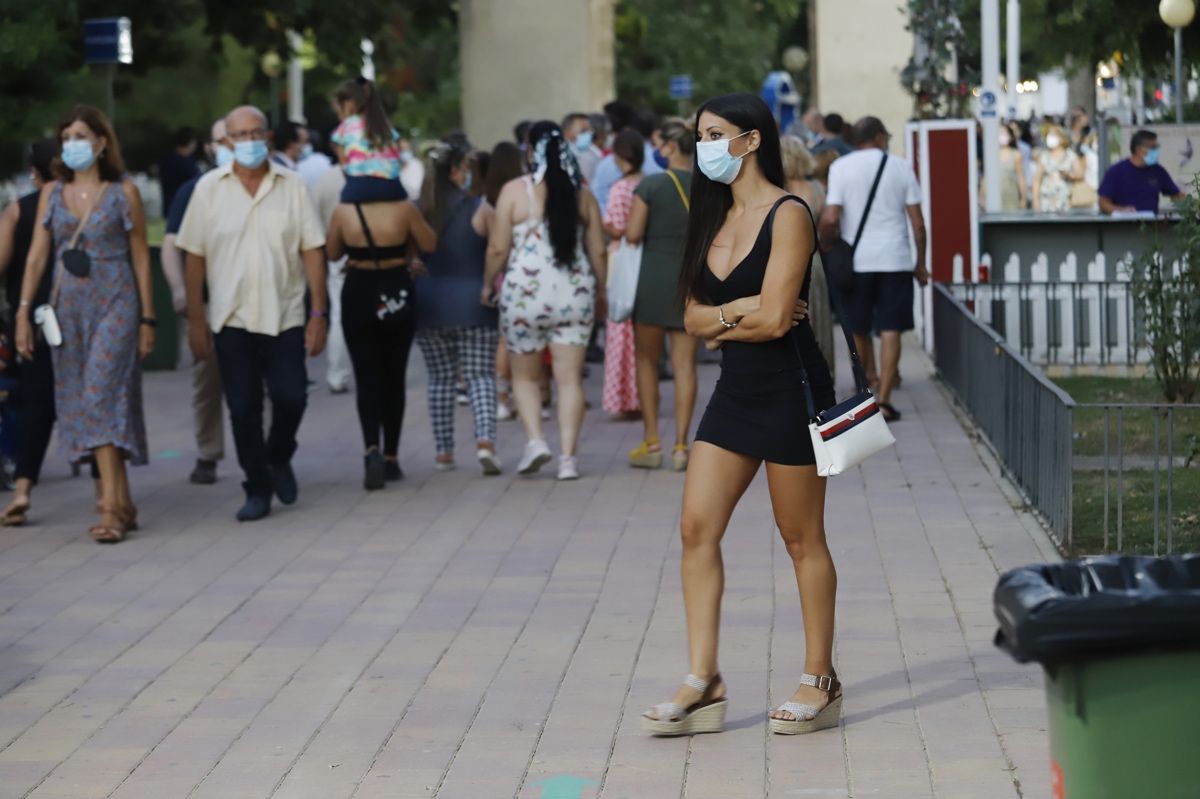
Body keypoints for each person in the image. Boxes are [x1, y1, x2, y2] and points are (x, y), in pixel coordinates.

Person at [640, 93, 837, 737]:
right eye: (700, 135)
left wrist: (733, 319)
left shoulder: (789, 213)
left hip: (790, 389)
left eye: (715, 134)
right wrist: (740, 311)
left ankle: (820, 679)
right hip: (735, 394)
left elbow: (781, 320)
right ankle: (704, 681)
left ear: (751, 141)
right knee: (696, 528)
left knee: (801, 538)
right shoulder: (711, 215)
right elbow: (692, 320)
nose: (705, 146)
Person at [176, 105, 329, 522]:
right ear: (226, 143)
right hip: (231, 317)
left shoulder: (294, 187)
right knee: (242, 407)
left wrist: (319, 313)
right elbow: (193, 257)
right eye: (238, 136)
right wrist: (195, 320)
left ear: (269, 137)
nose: (247, 143)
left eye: (254, 133)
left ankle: (279, 455)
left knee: (291, 397)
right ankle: (257, 486)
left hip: (286, 313)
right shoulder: (208, 189)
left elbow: (313, 250)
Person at [14, 105, 154, 543]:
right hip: (66, 310)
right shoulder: (52, 194)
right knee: (83, 400)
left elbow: (140, 257)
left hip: (115, 302)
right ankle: (125, 503)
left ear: (100, 142)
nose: (73, 143)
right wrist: (22, 310)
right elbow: (37, 256)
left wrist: (149, 317)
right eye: (66, 136)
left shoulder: (122, 192)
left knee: (99, 395)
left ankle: (110, 507)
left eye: (81, 135)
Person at [482, 121, 606, 481]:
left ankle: (536, 441)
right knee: (569, 380)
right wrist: (602, 290)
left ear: (530, 150)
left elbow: (497, 247)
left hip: (525, 295)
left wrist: (487, 283)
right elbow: (597, 249)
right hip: (574, 294)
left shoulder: (514, 192)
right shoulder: (581, 195)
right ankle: (568, 459)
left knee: (525, 377)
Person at [325, 141, 437, 489]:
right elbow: (431, 243)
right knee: (394, 375)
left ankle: (370, 447)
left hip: (358, 288)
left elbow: (331, 252)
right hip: (396, 288)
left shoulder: (344, 211)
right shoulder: (404, 208)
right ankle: (391, 456)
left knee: (366, 374)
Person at [819, 116, 928, 423]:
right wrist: (920, 263)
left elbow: (830, 218)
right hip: (895, 258)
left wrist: (828, 244)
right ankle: (885, 399)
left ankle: (868, 383)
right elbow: (918, 225)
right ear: (880, 137)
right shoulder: (901, 167)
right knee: (891, 328)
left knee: (858, 327)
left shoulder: (841, 168)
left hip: (857, 261)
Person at [415, 143, 502, 475]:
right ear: (454, 171)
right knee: (480, 375)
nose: (469, 174)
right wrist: (488, 283)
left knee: (439, 379)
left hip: (429, 302)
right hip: (474, 302)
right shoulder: (481, 209)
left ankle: (443, 452)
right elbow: (496, 249)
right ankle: (485, 441)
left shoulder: (418, 209)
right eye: (465, 168)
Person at [623, 118, 700, 472]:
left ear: (669, 147)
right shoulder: (708, 188)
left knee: (646, 362)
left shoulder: (650, 185)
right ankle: (682, 446)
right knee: (685, 366)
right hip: (690, 282)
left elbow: (633, 234)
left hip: (653, 280)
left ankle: (652, 441)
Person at [160, 118, 230, 485]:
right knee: (207, 382)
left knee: (263, 385)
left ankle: (268, 453)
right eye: (222, 140)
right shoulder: (194, 190)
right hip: (206, 304)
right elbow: (171, 244)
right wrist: (179, 289)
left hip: (252, 303)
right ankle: (208, 453)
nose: (230, 147)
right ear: (210, 146)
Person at [0, 141, 57, 526]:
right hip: (79, 316)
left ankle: (23, 486)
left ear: (33, 171)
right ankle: (107, 490)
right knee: (94, 401)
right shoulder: (84, 201)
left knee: (38, 403)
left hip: (32, 319)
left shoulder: (19, 209)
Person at [780, 134, 835, 374]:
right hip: (814, 261)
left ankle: (795, 373)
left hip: (782, 262)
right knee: (818, 317)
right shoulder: (816, 189)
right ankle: (822, 372)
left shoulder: (777, 190)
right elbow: (827, 226)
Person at [601, 129, 645, 420]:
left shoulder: (619, 189)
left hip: (622, 259)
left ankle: (622, 396)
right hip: (646, 259)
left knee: (619, 328)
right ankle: (641, 394)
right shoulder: (649, 184)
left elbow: (615, 227)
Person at [483, 142, 526, 423]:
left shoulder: (488, 199)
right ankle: (536, 394)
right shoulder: (521, 191)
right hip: (521, 270)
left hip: (502, 273)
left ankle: (502, 398)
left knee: (504, 339)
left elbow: (494, 245)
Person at [312, 150, 353, 394]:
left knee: (339, 314)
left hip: (336, 253)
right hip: (370, 253)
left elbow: (314, 218)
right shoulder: (378, 172)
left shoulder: (326, 180)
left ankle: (337, 374)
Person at [332, 78, 407, 204]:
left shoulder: (346, 125)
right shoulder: (385, 126)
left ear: (349, 103)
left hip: (359, 186)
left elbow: (343, 161)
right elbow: (397, 154)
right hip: (392, 187)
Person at [1098, 129, 1186, 215]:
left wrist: (1190, 205)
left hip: (1151, 227)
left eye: (1157, 147)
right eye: (1153, 148)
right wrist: (1121, 210)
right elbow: (1103, 203)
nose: (1156, 151)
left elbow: (1177, 195)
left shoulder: (1158, 171)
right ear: (1139, 150)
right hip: (1122, 226)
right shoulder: (1116, 171)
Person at [1032, 124, 1083, 213]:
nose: (1049, 138)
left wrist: (1069, 175)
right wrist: (1035, 200)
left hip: (1066, 200)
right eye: (1048, 135)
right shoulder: (1044, 156)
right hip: (1046, 201)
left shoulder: (1071, 156)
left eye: (1053, 135)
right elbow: (1037, 180)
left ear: (1062, 138)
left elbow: (1080, 174)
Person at [159, 126, 200, 217]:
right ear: (190, 142)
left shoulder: (167, 160)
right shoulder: (188, 164)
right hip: (185, 208)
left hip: (169, 206)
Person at [562, 112, 602, 183]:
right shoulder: (563, 156)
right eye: (583, 131)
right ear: (567, 134)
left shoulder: (593, 150)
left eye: (590, 130)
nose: (588, 134)